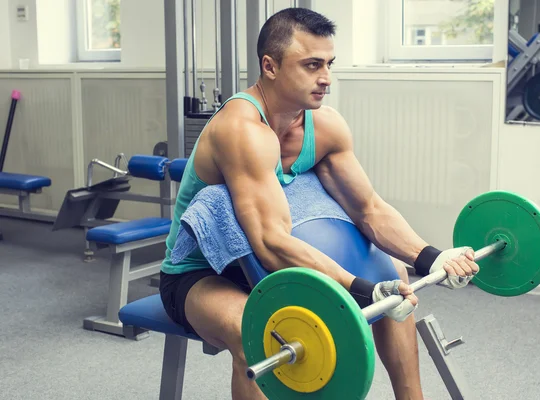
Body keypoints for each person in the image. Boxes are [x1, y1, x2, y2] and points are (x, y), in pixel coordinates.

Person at [159, 7, 479, 400]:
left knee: (393, 269)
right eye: (311, 65)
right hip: (202, 274)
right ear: (270, 66)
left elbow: (369, 210)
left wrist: (431, 257)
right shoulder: (241, 130)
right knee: (259, 332)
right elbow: (272, 242)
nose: (325, 78)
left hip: (264, 265)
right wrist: (358, 290)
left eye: (328, 64)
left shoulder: (324, 125)